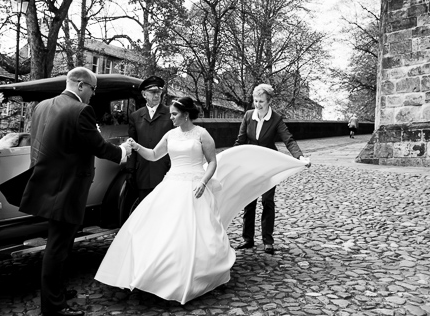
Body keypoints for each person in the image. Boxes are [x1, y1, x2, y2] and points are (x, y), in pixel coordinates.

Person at [95, 96, 309, 304]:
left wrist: (203, 182)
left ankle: (198, 275)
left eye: (175, 114)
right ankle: (155, 275)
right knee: (162, 230)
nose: (171, 118)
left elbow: (213, 163)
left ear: (186, 115)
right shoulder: (170, 135)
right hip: (171, 185)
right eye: (170, 114)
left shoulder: (202, 135)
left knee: (197, 232)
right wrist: (136, 146)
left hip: (195, 186)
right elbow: (153, 155)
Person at [20, 67, 131, 316]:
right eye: (93, 89)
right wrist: (123, 151)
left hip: (45, 185)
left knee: (60, 245)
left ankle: (57, 292)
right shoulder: (81, 110)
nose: (93, 94)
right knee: (58, 248)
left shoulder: (42, 106)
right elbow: (99, 147)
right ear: (81, 85)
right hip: (67, 189)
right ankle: (53, 306)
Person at [233, 84, 310, 255]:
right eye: (255, 101)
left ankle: (268, 240)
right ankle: (248, 239)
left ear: (269, 101)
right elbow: (240, 141)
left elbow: (288, 140)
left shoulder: (276, 119)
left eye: (261, 101)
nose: (257, 104)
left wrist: (300, 157)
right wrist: (231, 159)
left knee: (267, 201)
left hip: (268, 165)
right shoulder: (247, 116)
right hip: (250, 165)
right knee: (249, 200)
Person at [124, 75, 173, 212]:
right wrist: (130, 170)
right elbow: (132, 145)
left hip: (165, 170)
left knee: (165, 210)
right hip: (143, 171)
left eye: (159, 92)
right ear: (144, 94)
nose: (157, 95)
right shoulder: (136, 116)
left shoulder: (171, 114)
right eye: (152, 92)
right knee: (145, 210)